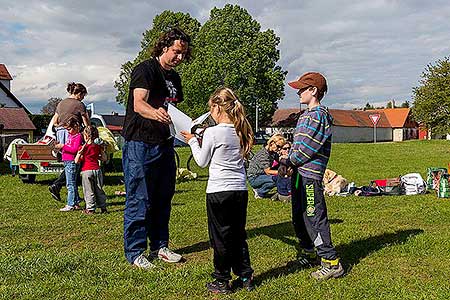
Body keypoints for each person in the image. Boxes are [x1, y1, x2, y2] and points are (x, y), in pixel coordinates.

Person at [121, 28, 191, 269]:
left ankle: (160, 246)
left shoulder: (175, 79)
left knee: (163, 197)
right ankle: (135, 251)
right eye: (176, 52)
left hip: (164, 144)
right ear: (164, 47)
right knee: (139, 197)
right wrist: (156, 113)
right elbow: (139, 104)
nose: (179, 58)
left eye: (183, 54)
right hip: (139, 143)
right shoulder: (145, 69)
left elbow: (174, 108)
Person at [181, 87, 255, 294]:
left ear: (216, 108)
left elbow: (202, 161)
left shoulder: (213, 132)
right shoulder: (242, 130)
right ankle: (245, 275)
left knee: (220, 237)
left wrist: (193, 141)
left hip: (218, 190)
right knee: (238, 234)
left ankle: (221, 279)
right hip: (239, 188)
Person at [280, 72, 344, 280]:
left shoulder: (318, 116)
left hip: (310, 176)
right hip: (299, 174)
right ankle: (309, 250)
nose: (298, 92)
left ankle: (331, 262)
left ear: (313, 90)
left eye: (302, 89)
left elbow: (308, 147)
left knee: (313, 216)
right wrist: (286, 158)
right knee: (299, 216)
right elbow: (298, 145)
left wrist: (291, 160)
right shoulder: (305, 115)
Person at [48, 82, 90, 202]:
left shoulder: (61, 103)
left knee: (69, 162)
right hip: (72, 133)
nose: (83, 98)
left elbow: (55, 121)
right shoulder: (79, 104)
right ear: (79, 93)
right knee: (75, 163)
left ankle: (74, 196)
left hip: (61, 132)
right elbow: (86, 122)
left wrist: (62, 127)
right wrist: (87, 132)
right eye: (83, 95)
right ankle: (57, 185)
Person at [75, 126, 108, 215]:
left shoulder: (83, 147)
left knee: (89, 191)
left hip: (86, 170)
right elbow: (104, 158)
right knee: (99, 189)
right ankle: (103, 207)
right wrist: (100, 153)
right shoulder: (97, 146)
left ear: (85, 136)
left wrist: (79, 153)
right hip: (97, 170)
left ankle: (90, 209)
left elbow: (76, 161)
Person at [54, 117, 83, 212]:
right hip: (67, 161)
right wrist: (60, 147)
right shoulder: (71, 136)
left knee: (70, 184)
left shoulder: (78, 137)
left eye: (69, 129)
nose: (68, 131)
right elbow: (69, 147)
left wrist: (63, 146)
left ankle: (70, 204)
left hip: (71, 161)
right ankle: (76, 202)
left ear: (76, 126)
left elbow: (75, 149)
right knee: (71, 183)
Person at [247, 133, 286, 198]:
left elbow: (279, 161)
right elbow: (268, 171)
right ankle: (259, 192)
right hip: (254, 177)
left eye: (281, 147)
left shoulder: (272, 152)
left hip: (261, 175)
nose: (279, 149)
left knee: (278, 177)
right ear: (272, 143)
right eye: (278, 146)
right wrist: (283, 173)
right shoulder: (264, 155)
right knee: (277, 179)